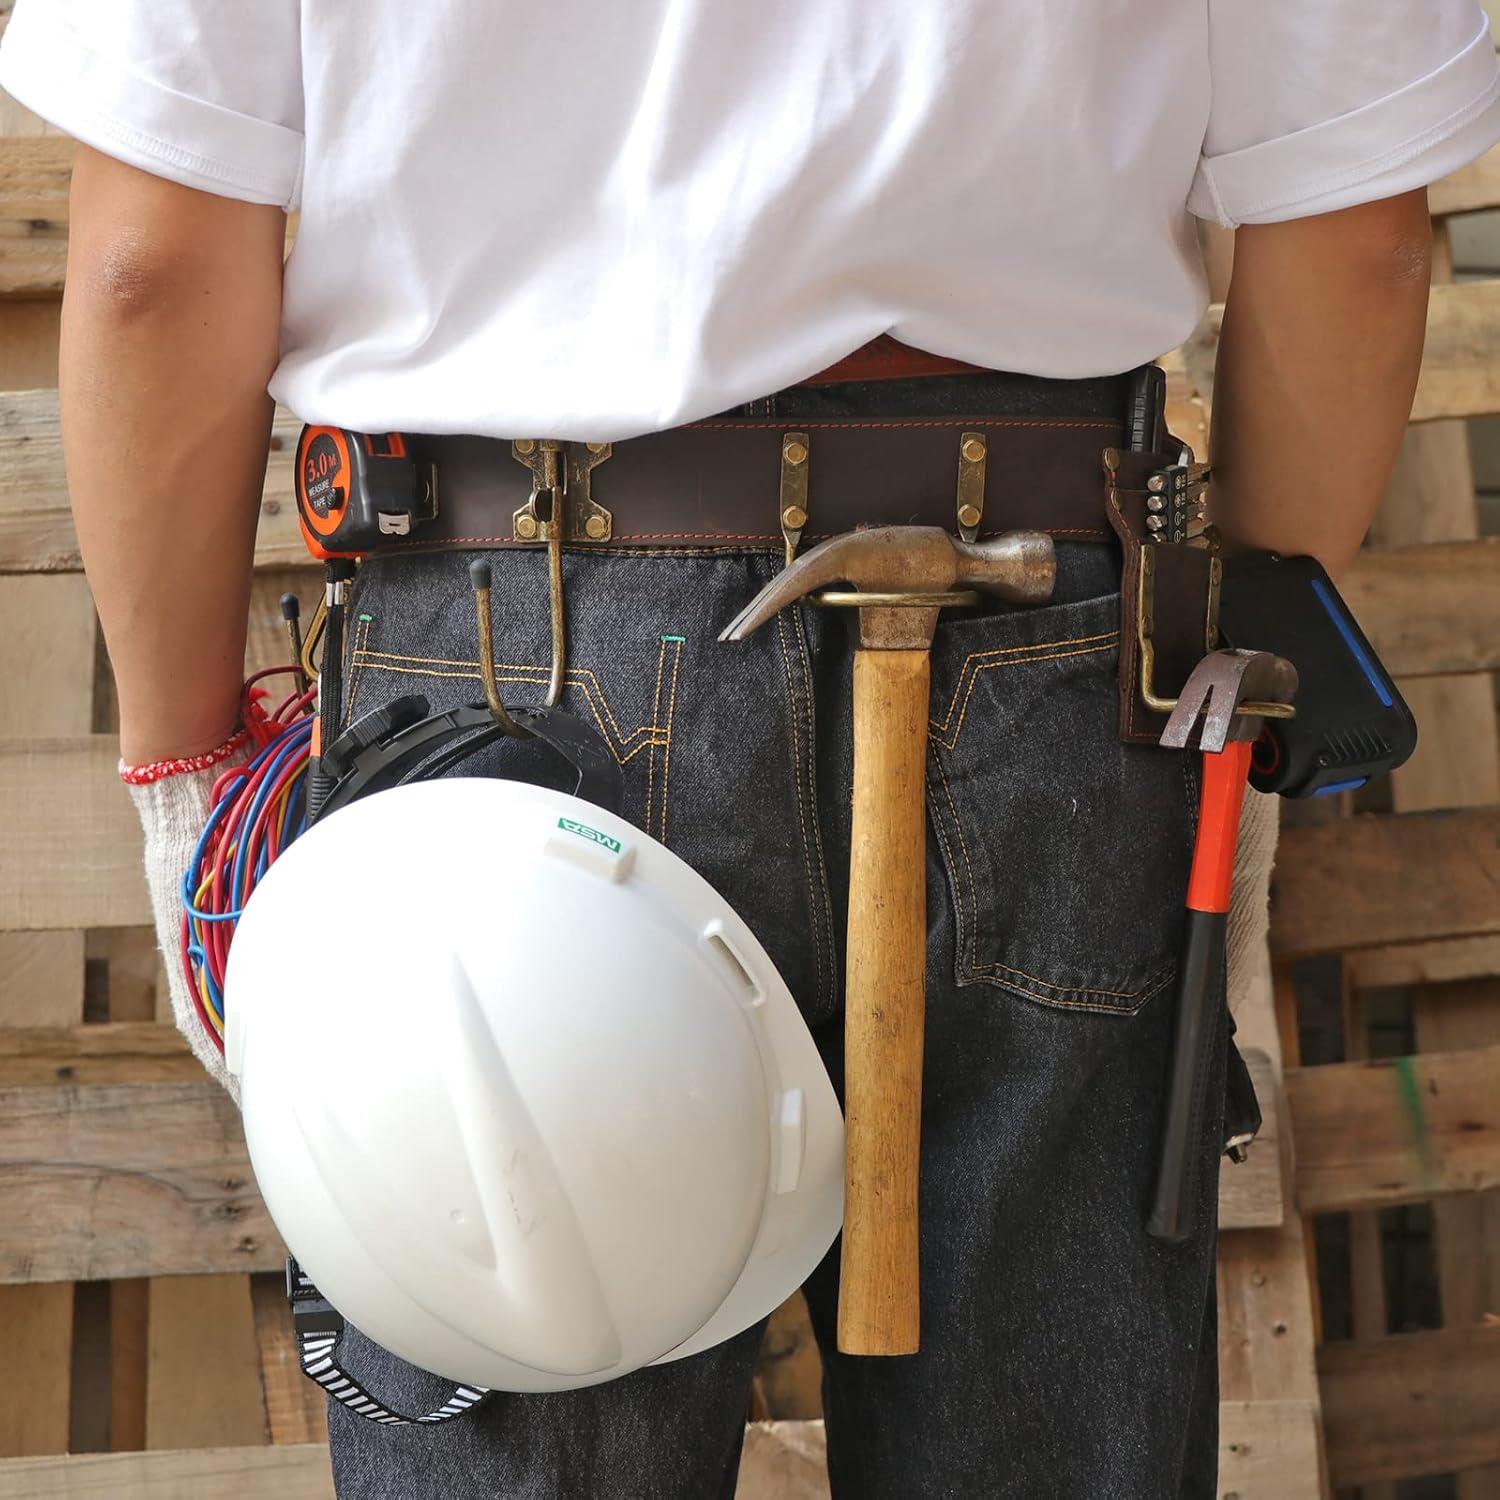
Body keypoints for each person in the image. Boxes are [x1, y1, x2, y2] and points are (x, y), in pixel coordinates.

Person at [4, 3, 1498, 1495]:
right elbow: (1353, 237)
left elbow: (153, 268)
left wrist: (186, 777)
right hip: (1046, 648)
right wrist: (1227, 701)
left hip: (501, 676)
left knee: (534, 1396)